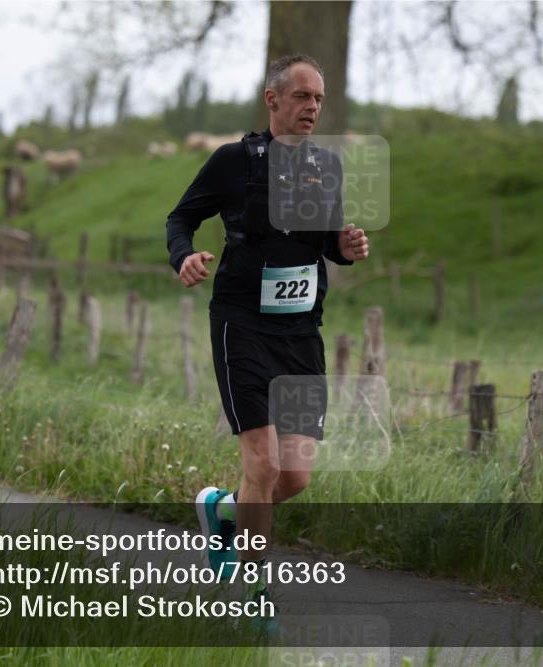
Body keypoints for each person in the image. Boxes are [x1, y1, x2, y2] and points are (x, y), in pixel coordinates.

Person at [165, 54, 370, 608]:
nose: (313, 108)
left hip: (301, 332)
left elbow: (324, 240)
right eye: (303, 96)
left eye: (319, 99)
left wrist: (343, 249)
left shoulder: (326, 166)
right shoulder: (233, 161)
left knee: (294, 479)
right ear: (272, 99)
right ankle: (250, 598)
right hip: (242, 325)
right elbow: (180, 217)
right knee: (264, 464)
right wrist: (183, 257)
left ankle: (222, 509)